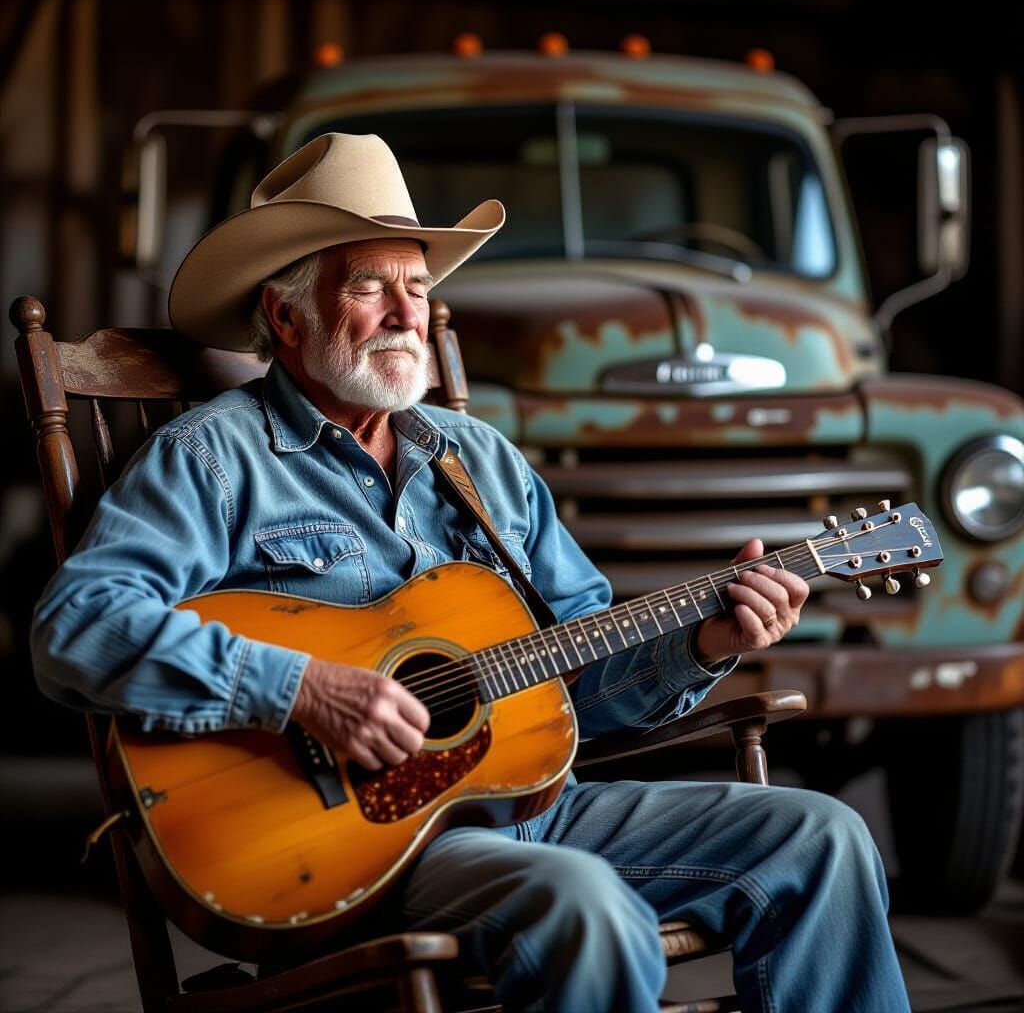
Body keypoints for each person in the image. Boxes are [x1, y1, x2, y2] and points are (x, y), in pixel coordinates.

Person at [31, 133, 910, 1012]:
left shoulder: (479, 459)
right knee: (583, 903)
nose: (406, 312)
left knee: (822, 834)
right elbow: (75, 628)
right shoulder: (215, 457)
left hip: (537, 810)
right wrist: (301, 689)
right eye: (369, 286)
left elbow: (577, 689)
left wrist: (706, 642)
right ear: (286, 315)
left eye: (417, 286)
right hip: (361, 847)